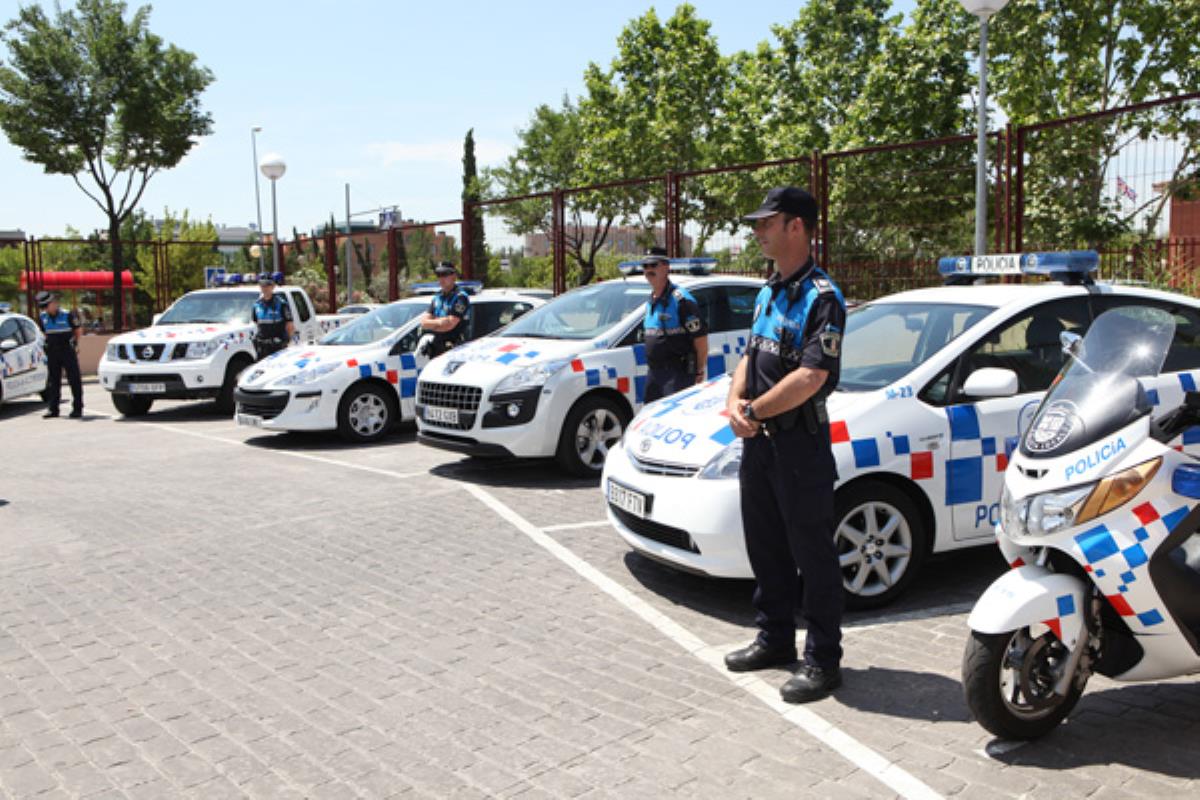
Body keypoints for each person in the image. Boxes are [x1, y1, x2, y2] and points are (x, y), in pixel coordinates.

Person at [722, 186, 848, 704]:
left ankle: (823, 660)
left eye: (766, 223)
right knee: (766, 545)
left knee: (812, 555)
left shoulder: (823, 297)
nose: (757, 232)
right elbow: (751, 356)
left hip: (799, 447)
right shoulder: (768, 290)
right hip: (760, 446)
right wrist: (734, 400)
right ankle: (775, 638)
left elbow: (811, 377)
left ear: (796, 226)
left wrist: (753, 410)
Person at [640, 247, 709, 402]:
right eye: (645, 266)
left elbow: (701, 338)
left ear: (666, 267)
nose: (648, 270)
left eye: (653, 265)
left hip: (677, 374)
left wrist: (699, 371)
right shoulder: (651, 300)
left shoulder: (681, 300)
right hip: (654, 374)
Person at [36, 291, 84, 419]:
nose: (46, 309)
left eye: (47, 305)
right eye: (44, 306)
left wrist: (76, 344)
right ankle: (53, 409)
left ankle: (77, 409)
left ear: (54, 303)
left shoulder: (68, 314)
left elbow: (78, 330)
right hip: (52, 352)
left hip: (67, 350)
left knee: (74, 380)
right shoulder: (43, 317)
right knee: (53, 381)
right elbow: (44, 332)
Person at [418, 262, 471, 358]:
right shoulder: (437, 297)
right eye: (439, 275)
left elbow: (449, 325)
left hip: (455, 349)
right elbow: (423, 323)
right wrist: (441, 322)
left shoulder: (460, 297)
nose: (441, 278)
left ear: (454, 276)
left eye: (445, 274)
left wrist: (433, 324)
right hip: (437, 347)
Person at [251, 277, 294, 361]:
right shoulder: (257, 305)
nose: (265, 288)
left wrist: (286, 342)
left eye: (267, 285)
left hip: (277, 345)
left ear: (273, 286)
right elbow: (257, 323)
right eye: (262, 286)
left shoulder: (281, 303)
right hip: (262, 346)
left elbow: (289, 325)